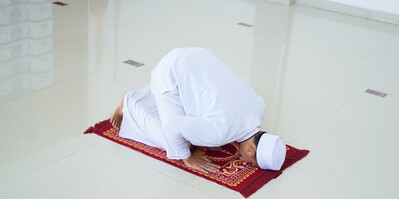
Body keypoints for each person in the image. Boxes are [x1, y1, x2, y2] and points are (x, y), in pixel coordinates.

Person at [110, 48, 286, 173]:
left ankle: (147, 94)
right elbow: (172, 126)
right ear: (251, 152)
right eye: (251, 164)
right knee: (173, 140)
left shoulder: (260, 108)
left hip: (200, 57)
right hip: (168, 71)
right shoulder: (218, 133)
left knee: (194, 106)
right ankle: (130, 101)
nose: (245, 162)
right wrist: (186, 157)